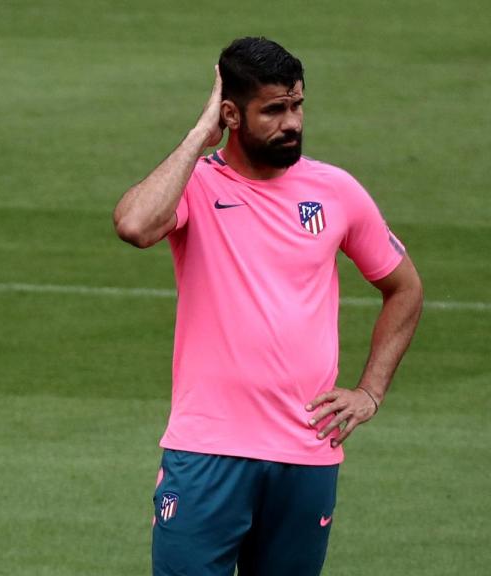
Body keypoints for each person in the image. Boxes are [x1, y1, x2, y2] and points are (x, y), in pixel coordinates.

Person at [113, 37, 422, 575]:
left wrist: (370, 392)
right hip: (208, 451)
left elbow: (405, 288)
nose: (292, 122)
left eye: (297, 104)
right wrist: (197, 137)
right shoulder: (196, 185)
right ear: (230, 114)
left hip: (305, 454)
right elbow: (135, 225)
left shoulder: (336, 191)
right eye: (274, 110)